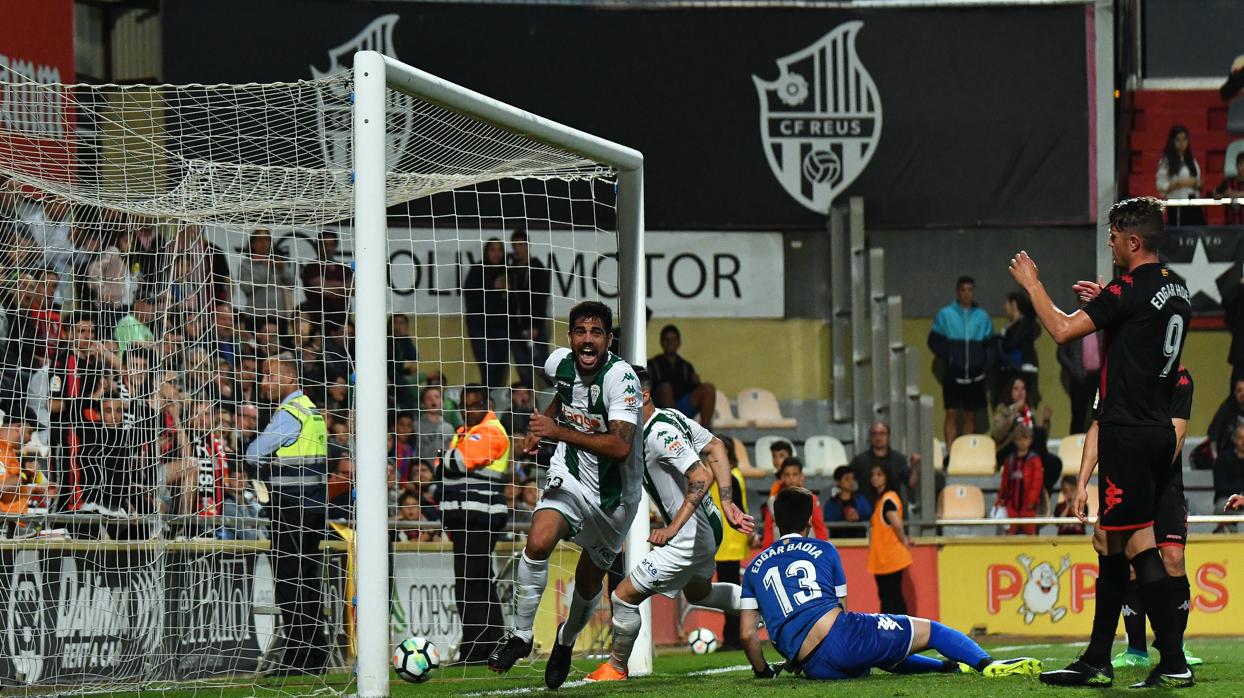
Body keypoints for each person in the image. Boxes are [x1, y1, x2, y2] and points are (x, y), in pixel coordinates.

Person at [1010, 196, 1194, 688]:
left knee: (1137, 545)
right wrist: (1108, 303)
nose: (1110, 242)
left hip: (1128, 435)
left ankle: (1172, 660)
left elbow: (1063, 330)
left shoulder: (1128, 289)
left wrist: (1033, 285)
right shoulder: (1178, 288)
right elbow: (1137, 330)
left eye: (1114, 235)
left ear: (1133, 241)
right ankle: (1096, 659)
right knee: (1108, 542)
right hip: (1156, 429)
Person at [487, 302, 644, 675]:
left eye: (596, 333)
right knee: (538, 540)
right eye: (580, 331)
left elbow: (621, 447)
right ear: (570, 336)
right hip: (570, 476)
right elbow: (564, 395)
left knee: (589, 583)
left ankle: (566, 640)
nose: (587, 339)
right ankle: (522, 635)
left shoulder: (621, 380)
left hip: (615, 499)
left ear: (608, 339)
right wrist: (542, 426)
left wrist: (555, 431)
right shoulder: (558, 364)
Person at [740, 486, 1041, 681]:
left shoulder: (754, 566)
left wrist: (764, 672)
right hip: (840, 638)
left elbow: (747, 636)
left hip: (813, 667)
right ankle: (987, 664)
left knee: (878, 654)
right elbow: (842, 610)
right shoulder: (824, 549)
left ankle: (948, 667)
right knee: (932, 630)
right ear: (809, 519)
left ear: (776, 522)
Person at [581, 366, 757, 684]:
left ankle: (616, 667)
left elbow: (700, 478)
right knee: (699, 593)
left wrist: (672, 528)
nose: (616, 402)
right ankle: (764, 607)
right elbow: (716, 446)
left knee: (623, 596)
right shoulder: (669, 416)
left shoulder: (661, 434)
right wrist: (727, 503)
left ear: (643, 395)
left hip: (689, 533)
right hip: (708, 524)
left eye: (622, 395)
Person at [1107, 365, 1203, 669]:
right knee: (1134, 565)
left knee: (1173, 559)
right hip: (1132, 478)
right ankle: (1136, 650)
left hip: (1166, 483)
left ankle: (1176, 646)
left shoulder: (1181, 378)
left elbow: (1178, 431)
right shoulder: (1130, 373)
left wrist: (1152, 476)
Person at [244, 354, 328, 674]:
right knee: (308, 581)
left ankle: (296, 657)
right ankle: (315, 653)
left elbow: (253, 453)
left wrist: (266, 463)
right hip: (314, 508)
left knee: (289, 582)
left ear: (289, 379)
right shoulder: (312, 411)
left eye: (269, 375)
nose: (263, 382)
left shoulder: (289, 413)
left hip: (291, 508)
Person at [438, 383, 510, 664]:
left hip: (479, 514)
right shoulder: (465, 433)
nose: (469, 410)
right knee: (479, 580)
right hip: (466, 514)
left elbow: (456, 461)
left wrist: (441, 462)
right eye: (465, 406)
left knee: (470, 582)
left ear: (488, 404)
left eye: (475, 404)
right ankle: (491, 643)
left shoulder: (491, 431)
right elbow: (450, 464)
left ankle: (476, 648)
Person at [928, 276, 994, 446]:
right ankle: (951, 454)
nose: (967, 294)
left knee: (970, 414)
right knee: (951, 412)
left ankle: (964, 453)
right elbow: (933, 341)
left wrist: (982, 363)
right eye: (963, 290)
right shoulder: (946, 315)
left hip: (975, 375)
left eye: (970, 290)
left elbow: (990, 345)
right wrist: (949, 357)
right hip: (953, 373)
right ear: (958, 292)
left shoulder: (982, 317)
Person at [710, 435, 750, 651]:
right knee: (731, 591)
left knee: (730, 594)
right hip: (730, 543)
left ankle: (733, 638)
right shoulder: (734, 475)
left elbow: (738, 508)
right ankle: (732, 637)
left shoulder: (727, 477)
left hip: (728, 543)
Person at [506, 229, 551, 390]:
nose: (517, 248)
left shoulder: (537, 267)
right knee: (522, 367)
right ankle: (530, 401)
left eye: (520, 244)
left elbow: (541, 298)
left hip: (534, 327)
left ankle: (548, 397)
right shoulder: (513, 270)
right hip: (517, 328)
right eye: (514, 245)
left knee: (541, 366)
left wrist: (536, 325)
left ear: (527, 245)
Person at [462, 238, 510, 389]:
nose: (496, 253)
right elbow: (470, 295)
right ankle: (487, 400)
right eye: (492, 249)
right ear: (486, 252)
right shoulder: (477, 270)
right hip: (479, 326)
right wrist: (492, 286)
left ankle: (494, 400)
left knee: (501, 366)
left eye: (499, 249)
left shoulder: (508, 271)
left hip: (501, 326)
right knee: (488, 365)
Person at [647, 325, 716, 427]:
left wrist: (696, 382)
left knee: (708, 389)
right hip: (660, 408)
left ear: (679, 342)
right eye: (667, 340)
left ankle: (705, 434)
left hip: (682, 406)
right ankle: (672, 429)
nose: (670, 343)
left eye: (674, 339)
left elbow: (693, 389)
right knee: (666, 388)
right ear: (662, 342)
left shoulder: (686, 366)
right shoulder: (653, 364)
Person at [867, 464, 912, 614]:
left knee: (891, 598)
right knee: (891, 596)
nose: (875, 478)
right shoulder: (883, 499)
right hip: (885, 557)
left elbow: (896, 524)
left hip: (889, 557)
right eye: (873, 475)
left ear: (887, 477)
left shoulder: (888, 499)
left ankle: (896, 631)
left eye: (879, 474)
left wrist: (904, 539)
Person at [761, 458, 828, 546]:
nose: (791, 478)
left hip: (807, 550)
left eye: (795, 474)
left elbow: (819, 528)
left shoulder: (811, 499)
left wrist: (822, 548)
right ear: (782, 477)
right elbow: (769, 530)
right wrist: (767, 550)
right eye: (787, 475)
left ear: (801, 476)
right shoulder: (773, 501)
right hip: (780, 550)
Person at [848, 421, 918, 505]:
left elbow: (911, 484)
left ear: (888, 436)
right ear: (870, 437)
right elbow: (847, 482)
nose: (878, 437)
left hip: (892, 509)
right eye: (874, 434)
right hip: (866, 513)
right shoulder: (859, 461)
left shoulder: (898, 459)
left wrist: (914, 466)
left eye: (882, 433)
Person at [995, 424, 1043, 535]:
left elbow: (1036, 482)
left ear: (1030, 440)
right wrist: (1000, 500)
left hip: (1028, 506)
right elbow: (1005, 482)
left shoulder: (1034, 460)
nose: (1022, 442)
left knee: (1030, 533)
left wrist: (1031, 501)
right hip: (1012, 504)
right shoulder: (1010, 460)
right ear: (1015, 440)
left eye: (1025, 439)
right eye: (1019, 439)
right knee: (1010, 533)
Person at [997, 290, 1041, 406]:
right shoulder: (1013, 326)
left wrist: (1002, 337)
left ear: (1014, 304)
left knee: (1025, 405)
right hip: (1014, 369)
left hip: (1025, 369)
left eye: (1006, 303)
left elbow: (1010, 344)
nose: (1004, 307)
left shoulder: (1025, 324)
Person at [1155, 125, 1204, 227]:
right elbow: (1160, 186)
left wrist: (1196, 183)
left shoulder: (1191, 160)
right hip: (1178, 205)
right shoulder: (1166, 161)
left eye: (1184, 139)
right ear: (1172, 141)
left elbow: (1199, 183)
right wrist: (1180, 183)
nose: (1182, 143)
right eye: (1178, 140)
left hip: (1194, 202)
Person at [823, 465, 872, 539]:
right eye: (847, 479)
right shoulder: (831, 503)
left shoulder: (861, 499)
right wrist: (844, 517)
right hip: (839, 541)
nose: (851, 482)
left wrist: (858, 517)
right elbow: (828, 522)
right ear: (838, 482)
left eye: (853, 479)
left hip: (860, 541)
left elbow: (870, 516)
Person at [1212, 151, 1244, 225]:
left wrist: (1239, 194)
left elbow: (1238, 194)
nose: (1243, 167)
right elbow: (1215, 193)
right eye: (1241, 164)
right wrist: (1224, 195)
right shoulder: (1228, 183)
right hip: (1231, 226)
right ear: (1236, 166)